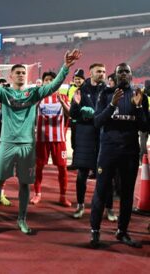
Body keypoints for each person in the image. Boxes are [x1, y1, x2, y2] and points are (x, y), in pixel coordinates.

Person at [0, 48, 82, 234]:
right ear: (11, 76)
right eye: (17, 72)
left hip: (27, 146)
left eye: (23, 73)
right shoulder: (4, 93)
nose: (21, 75)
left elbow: (53, 86)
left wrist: (65, 68)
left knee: (24, 184)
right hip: (7, 144)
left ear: (26, 76)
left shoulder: (33, 93)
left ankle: (22, 219)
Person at [89, 63, 148, 249]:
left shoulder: (140, 96)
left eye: (126, 71)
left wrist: (138, 108)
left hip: (129, 153)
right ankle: (95, 232)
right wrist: (112, 105)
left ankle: (122, 232)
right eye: (120, 71)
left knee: (127, 195)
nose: (123, 74)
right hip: (108, 152)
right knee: (101, 190)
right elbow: (97, 122)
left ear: (131, 75)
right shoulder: (106, 95)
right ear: (114, 76)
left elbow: (146, 127)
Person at [69, 63, 117, 221]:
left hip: (104, 137)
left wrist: (96, 115)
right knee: (82, 174)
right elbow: (73, 115)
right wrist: (76, 105)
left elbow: (112, 113)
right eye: (99, 71)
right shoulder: (81, 90)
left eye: (104, 71)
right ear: (91, 73)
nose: (102, 74)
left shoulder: (109, 90)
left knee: (107, 175)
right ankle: (80, 205)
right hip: (86, 137)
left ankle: (109, 208)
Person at [30, 71, 71, 207]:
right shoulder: (38, 97)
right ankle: (37, 194)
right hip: (41, 139)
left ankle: (63, 196)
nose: (49, 82)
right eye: (46, 80)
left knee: (62, 168)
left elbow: (70, 113)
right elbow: (29, 112)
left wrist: (61, 101)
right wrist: (36, 101)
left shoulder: (63, 97)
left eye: (51, 79)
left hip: (59, 139)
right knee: (38, 167)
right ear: (43, 82)